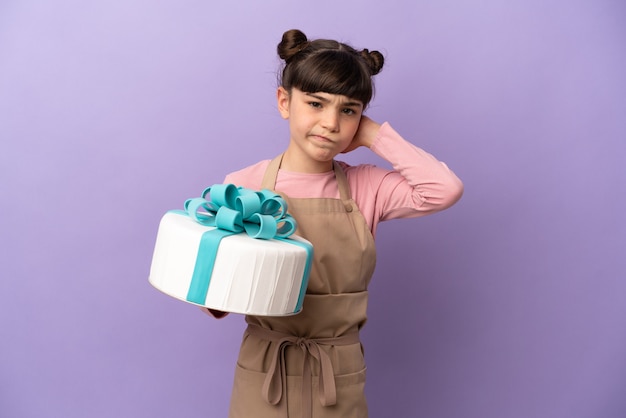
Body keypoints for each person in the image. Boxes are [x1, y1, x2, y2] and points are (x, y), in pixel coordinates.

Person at [203, 29, 464, 418]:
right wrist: (219, 284)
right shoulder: (243, 185)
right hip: (265, 367)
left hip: (337, 371)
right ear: (284, 102)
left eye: (348, 110)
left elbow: (444, 189)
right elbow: (216, 298)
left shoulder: (366, 186)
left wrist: (375, 136)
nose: (330, 123)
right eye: (315, 103)